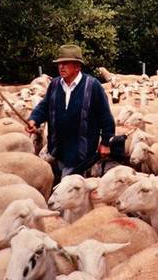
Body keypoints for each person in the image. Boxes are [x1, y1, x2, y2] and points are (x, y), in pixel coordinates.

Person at [27, 44, 115, 179]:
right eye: (59, 64)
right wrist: (34, 120)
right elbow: (44, 106)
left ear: (77, 66)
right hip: (58, 148)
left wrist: (105, 143)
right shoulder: (55, 84)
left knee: (68, 186)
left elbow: (106, 117)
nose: (61, 67)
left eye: (66, 63)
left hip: (81, 150)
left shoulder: (92, 86)